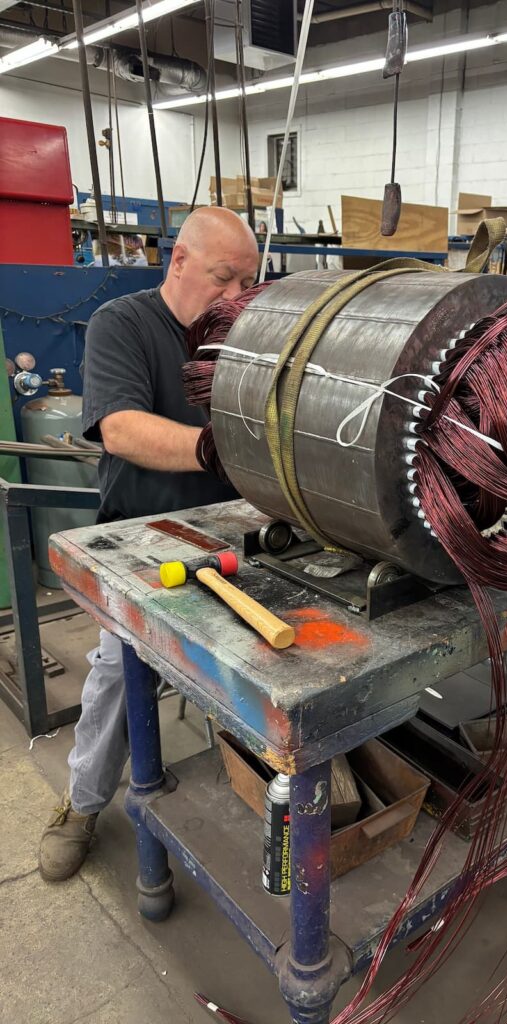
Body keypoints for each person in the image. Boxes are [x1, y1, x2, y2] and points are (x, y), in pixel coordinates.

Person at [38, 206, 260, 882]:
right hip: (144, 539)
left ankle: (256, 787)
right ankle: (82, 804)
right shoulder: (123, 324)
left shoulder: (242, 334)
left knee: (262, 667)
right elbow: (120, 429)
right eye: (223, 278)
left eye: (247, 283)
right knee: (119, 674)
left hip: (231, 531)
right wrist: (216, 449)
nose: (236, 296)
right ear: (179, 261)